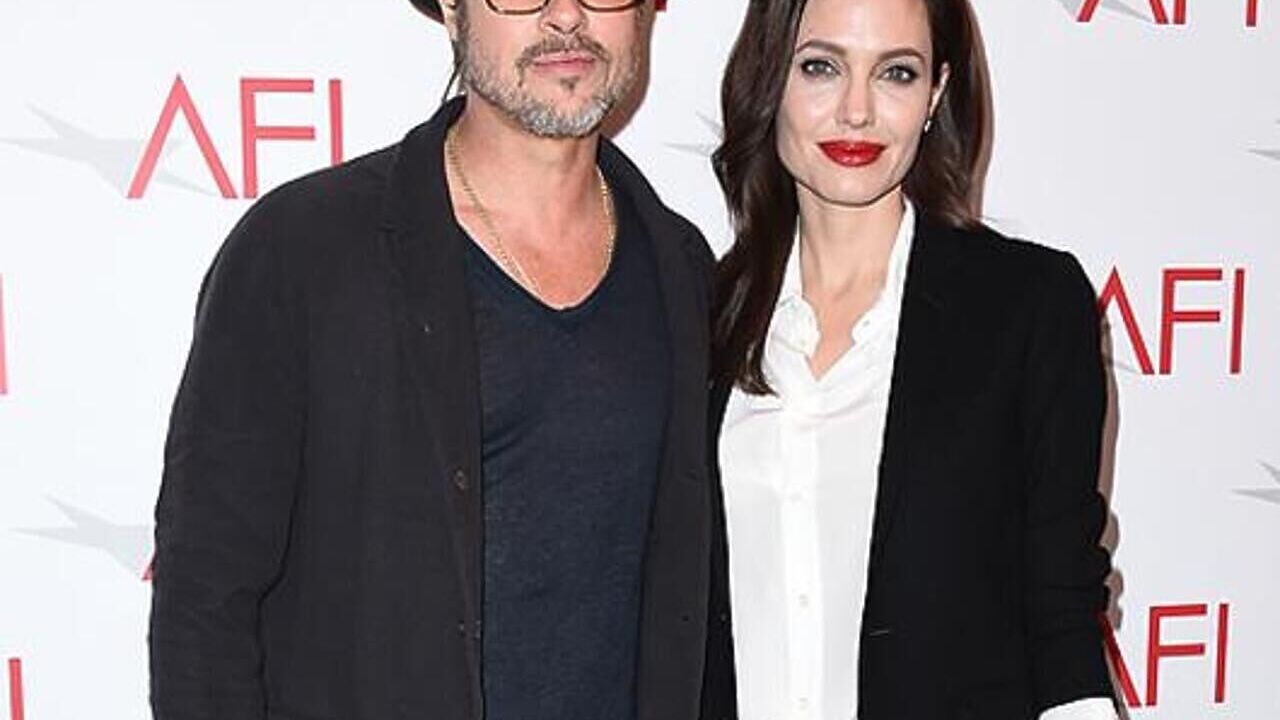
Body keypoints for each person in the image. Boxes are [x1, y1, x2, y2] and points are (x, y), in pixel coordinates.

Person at [149, 1, 730, 719]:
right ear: (452, 12)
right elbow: (205, 604)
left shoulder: (683, 271)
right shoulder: (301, 253)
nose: (566, 16)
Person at [709, 0, 1118, 717]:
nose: (857, 111)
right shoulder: (703, 315)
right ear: (770, 78)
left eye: (896, 73)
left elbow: (1061, 610)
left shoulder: (1028, 307)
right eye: (821, 67)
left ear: (935, 95)